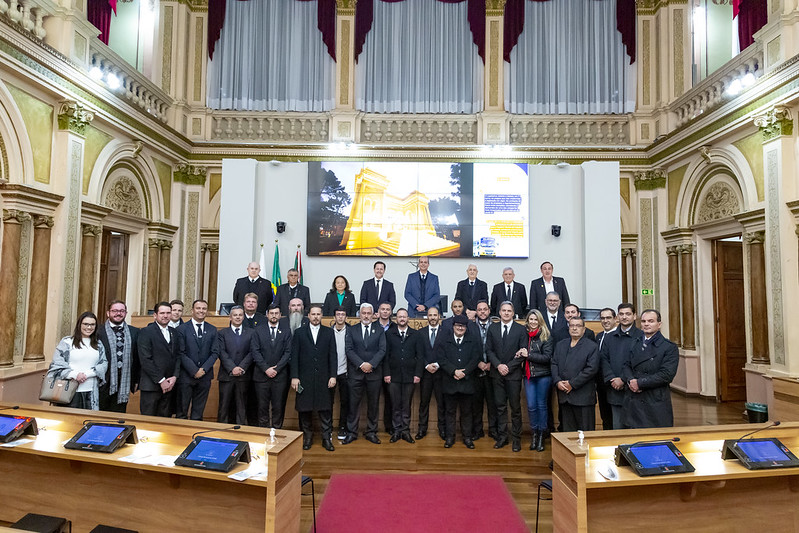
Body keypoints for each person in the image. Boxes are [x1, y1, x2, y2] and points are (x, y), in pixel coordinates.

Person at [290, 305, 337, 451]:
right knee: (305, 410)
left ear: (322, 315)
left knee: (325, 410)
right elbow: (294, 357)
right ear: (308, 316)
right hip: (304, 378)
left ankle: (326, 439)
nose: (316, 317)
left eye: (318, 314)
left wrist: (333, 376)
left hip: (324, 378)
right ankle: (307, 438)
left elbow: (333, 356)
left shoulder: (329, 332)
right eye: (313, 314)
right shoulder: (299, 333)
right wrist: (295, 377)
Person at [622, 309, 679, 429]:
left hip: (654, 399)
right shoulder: (634, 343)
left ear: (659, 324)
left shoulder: (669, 347)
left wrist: (640, 383)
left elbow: (666, 375)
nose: (646, 324)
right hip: (633, 398)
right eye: (643, 321)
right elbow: (626, 365)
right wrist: (631, 380)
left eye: (651, 321)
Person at [486, 301, 528, 452]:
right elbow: (489, 350)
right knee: (500, 407)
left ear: (513, 312)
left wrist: (508, 367)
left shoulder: (521, 329)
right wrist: (499, 365)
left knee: (515, 408)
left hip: (513, 375)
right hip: (496, 374)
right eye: (503, 310)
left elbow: (523, 352)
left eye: (509, 311)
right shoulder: (492, 328)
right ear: (499, 312)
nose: (506, 313)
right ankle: (502, 437)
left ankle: (516, 439)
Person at [342, 303, 386, 445]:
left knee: (373, 405)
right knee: (353, 405)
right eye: (363, 313)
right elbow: (348, 349)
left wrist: (371, 364)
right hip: (356, 373)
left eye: (368, 313)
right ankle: (352, 432)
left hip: (374, 374)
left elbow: (382, 350)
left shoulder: (379, 330)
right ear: (359, 314)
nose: (366, 316)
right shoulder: (352, 330)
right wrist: (361, 364)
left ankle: (371, 432)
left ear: (373, 315)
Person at [46, 311, 108, 411]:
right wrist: (75, 375)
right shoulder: (67, 342)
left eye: (92, 325)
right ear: (79, 325)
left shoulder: (98, 344)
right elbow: (57, 364)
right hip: (68, 391)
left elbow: (103, 364)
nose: (89, 327)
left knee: (87, 422)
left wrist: (87, 374)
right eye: (86, 324)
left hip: (91, 392)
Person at [439, 314, 481, 449]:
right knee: (449, 411)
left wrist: (464, 372)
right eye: (458, 326)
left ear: (466, 327)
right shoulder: (444, 340)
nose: (460, 328)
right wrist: (453, 371)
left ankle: (467, 437)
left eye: (462, 326)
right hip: (449, 381)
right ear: (453, 326)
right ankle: (450, 437)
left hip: (467, 381)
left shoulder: (473, 340)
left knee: (467, 412)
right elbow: (441, 359)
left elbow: (476, 358)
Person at [551, 317, 599, 432]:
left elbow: (591, 369)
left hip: (583, 397)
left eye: (578, 326)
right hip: (564, 396)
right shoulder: (560, 345)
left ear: (584, 329)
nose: (574, 328)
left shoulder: (591, 346)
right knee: (568, 433)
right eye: (572, 325)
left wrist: (572, 384)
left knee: (585, 433)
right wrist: (557, 381)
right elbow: (554, 364)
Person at [175, 299, 219, 420]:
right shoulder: (182, 329)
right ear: (192, 310)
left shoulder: (212, 329)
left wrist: (203, 369)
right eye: (198, 308)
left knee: (198, 413)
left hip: (205, 377)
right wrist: (194, 370)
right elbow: (181, 353)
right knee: (182, 412)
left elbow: (215, 352)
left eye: (204, 309)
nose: (201, 311)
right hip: (186, 376)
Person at [250, 304, 292, 428]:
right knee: (262, 406)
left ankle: (277, 431)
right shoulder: (258, 330)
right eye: (271, 313)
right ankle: (263, 432)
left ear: (280, 315)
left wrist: (277, 368)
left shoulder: (286, 331)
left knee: (278, 406)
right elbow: (255, 351)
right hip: (261, 376)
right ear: (267, 314)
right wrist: (266, 369)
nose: (274, 316)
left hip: (280, 376)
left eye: (276, 313)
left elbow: (288, 352)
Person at [383, 308, 422, 443]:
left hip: (410, 376)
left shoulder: (415, 334)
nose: (402, 319)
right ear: (396, 318)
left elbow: (420, 356)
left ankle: (405, 431)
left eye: (404, 316)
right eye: (399, 317)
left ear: (408, 318)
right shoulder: (389, 334)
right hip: (393, 376)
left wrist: (417, 374)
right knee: (395, 405)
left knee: (406, 405)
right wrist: (386, 373)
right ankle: (396, 431)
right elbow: (385, 356)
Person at [601, 303, 641, 429]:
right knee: (617, 426)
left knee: (635, 427)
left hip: (634, 389)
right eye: (621, 314)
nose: (624, 317)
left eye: (628, 314)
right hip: (615, 389)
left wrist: (623, 379)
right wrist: (612, 378)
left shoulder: (641, 336)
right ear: (617, 316)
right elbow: (604, 359)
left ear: (634, 316)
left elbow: (639, 361)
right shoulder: (609, 337)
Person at [137, 302, 180, 417]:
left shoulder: (174, 332)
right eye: (162, 313)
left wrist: (175, 376)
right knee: (148, 424)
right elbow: (145, 359)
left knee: (165, 423)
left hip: (169, 386)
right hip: (151, 386)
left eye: (168, 313)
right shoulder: (146, 332)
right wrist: (161, 380)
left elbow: (178, 356)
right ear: (155, 315)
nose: (165, 316)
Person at [97, 300, 139, 413]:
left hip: (124, 381)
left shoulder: (135, 332)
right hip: (103, 381)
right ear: (108, 313)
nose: (118, 313)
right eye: (114, 311)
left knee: (119, 416)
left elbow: (137, 357)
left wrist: (136, 380)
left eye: (121, 311)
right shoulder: (98, 332)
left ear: (125, 313)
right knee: (100, 414)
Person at [522, 309, 554, 451]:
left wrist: (528, 355)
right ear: (527, 321)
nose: (533, 322)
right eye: (531, 319)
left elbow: (547, 358)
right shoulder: (524, 335)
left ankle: (541, 435)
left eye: (536, 320)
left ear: (540, 321)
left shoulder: (546, 336)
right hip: (528, 376)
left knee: (541, 406)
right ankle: (534, 434)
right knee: (531, 406)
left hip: (543, 376)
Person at [216, 306, 254, 425]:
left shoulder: (251, 333)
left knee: (241, 406)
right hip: (226, 376)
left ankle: (240, 432)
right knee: (224, 406)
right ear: (230, 317)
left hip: (243, 376)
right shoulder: (222, 333)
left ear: (243, 317)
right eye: (235, 315)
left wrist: (241, 367)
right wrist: (233, 368)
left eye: (240, 315)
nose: (238, 317)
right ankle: (220, 433)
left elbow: (252, 352)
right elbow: (221, 352)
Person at [416, 306, 446, 440]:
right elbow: (418, 353)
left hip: (441, 373)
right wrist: (427, 365)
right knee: (423, 403)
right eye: (430, 315)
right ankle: (422, 429)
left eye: (435, 315)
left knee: (442, 403)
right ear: (427, 316)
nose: (433, 317)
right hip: (426, 373)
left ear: (439, 316)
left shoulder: (446, 332)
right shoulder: (420, 333)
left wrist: (438, 365)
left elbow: (447, 352)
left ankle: (443, 430)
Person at [471, 300, 497, 440]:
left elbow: (499, 348)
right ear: (476, 311)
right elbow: (468, 348)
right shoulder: (470, 326)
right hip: (475, 370)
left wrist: (491, 364)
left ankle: (493, 430)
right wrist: (478, 363)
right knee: (476, 403)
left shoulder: (496, 326)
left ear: (489, 311)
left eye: (485, 309)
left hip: (492, 369)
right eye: (479, 309)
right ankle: (477, 430)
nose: (482, 312)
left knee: (492, 403)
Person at [595, 307, 618, 430]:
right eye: (602, 318)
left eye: (608, 317)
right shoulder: (599, 336)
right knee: (605, 415)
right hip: (601, 383)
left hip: (614, 382)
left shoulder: (619, 336)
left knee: (616, 416)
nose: (605, 321)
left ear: (615, 319)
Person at [330, 307, 351, 439]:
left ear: (346, 317)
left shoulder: (351, 331)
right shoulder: (327, 332)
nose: (340, 317)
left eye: (343, 314)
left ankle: (343, 427)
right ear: (334, 317)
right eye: (338, 314)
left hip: (346, 373)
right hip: (330, 373)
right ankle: (328, 428)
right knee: (328, 402)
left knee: (345, 402)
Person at [375, 301, 395, 434]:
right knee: (373, 398)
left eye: (388, 309)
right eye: (383, 309)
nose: (385, 311)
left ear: (391, 312)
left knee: (390, 398)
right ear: (378, 311)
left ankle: (389, 426)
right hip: (375, 367)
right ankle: (372, 428)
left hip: (390, 368)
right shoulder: (372, 325)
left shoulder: (395, 327)